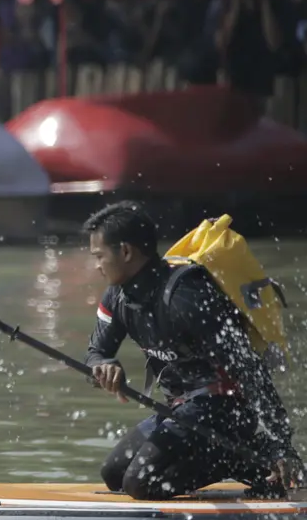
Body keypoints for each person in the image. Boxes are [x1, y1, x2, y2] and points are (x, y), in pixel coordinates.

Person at [83, 202, 302, 500]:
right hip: (181, 407)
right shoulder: (117, 295)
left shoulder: (188, 296)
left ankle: (251, 458)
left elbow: (250, 369)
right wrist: (105, 365)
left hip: (226, 409)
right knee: (115, 475)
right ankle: (244, 458)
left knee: (140, 484)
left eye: (99, 256)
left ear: (125, 252)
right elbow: (97, 351)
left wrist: (281, 445)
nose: (96, 265)